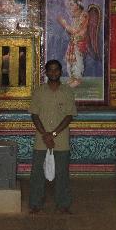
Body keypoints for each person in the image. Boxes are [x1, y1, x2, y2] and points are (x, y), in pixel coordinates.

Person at [28, 59, 77, 214]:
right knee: (37, 173)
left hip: (61, 140)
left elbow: (69, 116)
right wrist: (45, 134)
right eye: (50, 70)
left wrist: (53, 134)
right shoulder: (39, 91)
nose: (54, 72)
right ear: (46, 72)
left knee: (62, 173)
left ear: (61, 72)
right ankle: (35, 203)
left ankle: (63, 204)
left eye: (56, 70)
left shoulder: (67, 92)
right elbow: (34, 115)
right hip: (41, 140)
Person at [57, 0, 90, 88]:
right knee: (70, 60)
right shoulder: (74, 16)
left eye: (72, 5)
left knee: (77, 60)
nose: (70, 7)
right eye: (69, 5)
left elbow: (75, 31)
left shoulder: (84, 15)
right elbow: (71, 31)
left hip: (79, 42)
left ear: (78, 5)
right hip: (73, 41)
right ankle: (72, 78)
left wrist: (64, 23)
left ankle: (77, 79)